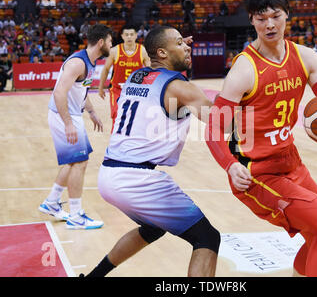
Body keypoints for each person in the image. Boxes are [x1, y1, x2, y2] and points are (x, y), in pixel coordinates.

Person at [205, 0, 317, 277]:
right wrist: (230, 166)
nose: (269, 25)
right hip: (256, 172)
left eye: (275, 16)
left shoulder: (306, 56)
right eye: (261, 18)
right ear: (251, 20)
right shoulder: (243, 70)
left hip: (290, 160)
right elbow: (213, 129)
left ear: (287, 15)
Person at [83, 26, 220, 277]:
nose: (188, 46)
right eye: (181, 43)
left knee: (152, 228)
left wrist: (175, 47)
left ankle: (93, 277)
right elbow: (223, 123)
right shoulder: (179, 87)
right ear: (162, 53)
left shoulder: (137, 76)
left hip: (109, 175)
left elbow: (156, 60)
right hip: (138, 179)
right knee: (207, 238)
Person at [39, 24, 113, 230]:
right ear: (100, 43)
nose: (111, 45)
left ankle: (52, 202)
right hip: (64, 116)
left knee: (74, 162)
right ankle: (75, 215)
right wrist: (69, 124)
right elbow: (59, 93)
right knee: (80, 162)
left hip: (72, 115)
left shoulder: (89, 62)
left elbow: (80, 91)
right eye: (109, 41)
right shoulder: (77, 63)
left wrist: (91, 112)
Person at [99, 24, 150, 131]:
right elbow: (106, 69)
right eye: (126, 35)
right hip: (117, 90)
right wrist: (100, 87)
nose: (129, 37)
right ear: (122, 36)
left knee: (136, 117)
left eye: (132, 34)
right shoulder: (115, 51)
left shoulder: (142, 50)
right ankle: (115, 142)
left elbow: (151, 71)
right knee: (117, 115)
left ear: (136, 35)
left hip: (136, 91)